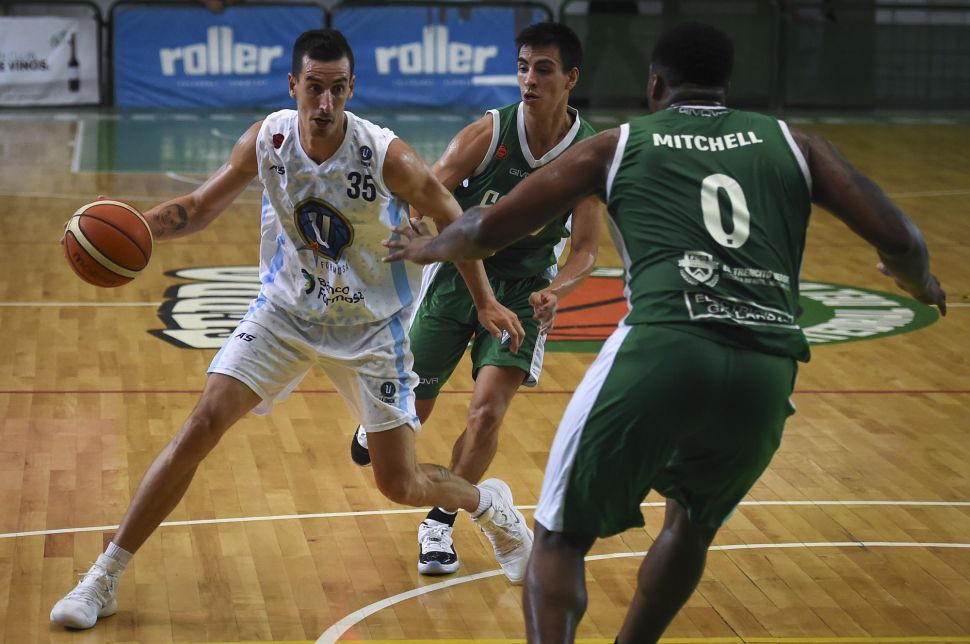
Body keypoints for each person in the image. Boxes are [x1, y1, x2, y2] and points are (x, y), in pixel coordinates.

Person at [381, 21, 947, 643]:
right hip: (767, 366)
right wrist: (921, 283)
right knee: (690, 526)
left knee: (560, 538)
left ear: (654, 86)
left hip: (663, 347)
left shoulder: (615, 145)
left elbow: (488, 227)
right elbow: (901, 238)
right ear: (728, 86)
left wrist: (427, 247)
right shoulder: (796, 144)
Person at [49, 28, 533, 631]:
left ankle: (489, 505)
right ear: (293, 86)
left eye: (337, 89)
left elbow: (453, 215)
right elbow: (198, 208)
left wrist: (484, 300)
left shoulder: (386, 156)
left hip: (370, 329)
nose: (325, 103)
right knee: (200, 426)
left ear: (351, 88)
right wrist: (137, 229)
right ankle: (103, 576)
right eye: (314, 88)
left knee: (400, 483)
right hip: (284, 313)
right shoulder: (269, 139)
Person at [347, 21, 603, 577]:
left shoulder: (588, 155)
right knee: (414, 411)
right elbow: (424, 194)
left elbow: (586, 250)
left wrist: (555, 291)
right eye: (523, 67)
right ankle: (384, 418)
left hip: (523, 289)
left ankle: (440, 521)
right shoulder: (487, 135)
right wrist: (415, 232)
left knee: (487, 414)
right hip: (459, 276)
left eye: (543, 69)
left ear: (571, 78)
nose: (529, 79)